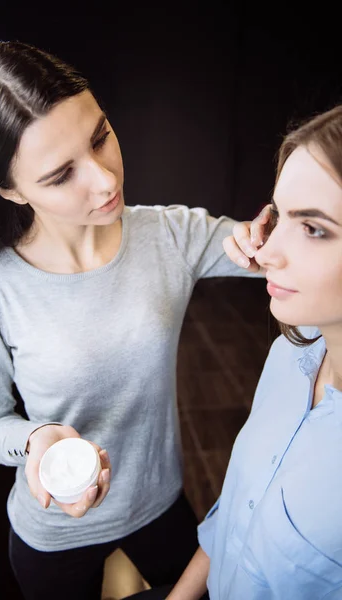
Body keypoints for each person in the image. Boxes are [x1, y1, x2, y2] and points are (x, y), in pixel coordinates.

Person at [0, 40, 263, 600]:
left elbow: (273, 252)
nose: (104, 179)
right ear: (6, 188)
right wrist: (38, 439)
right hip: (54, 533)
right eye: (61, 174)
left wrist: (290, 226)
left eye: (100, 137)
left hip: (160, 501)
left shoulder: (170, 235)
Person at [127, 104, 342, 600]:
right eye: (279, 216)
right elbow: (239, 506)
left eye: (312, 228)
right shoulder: (291, 354)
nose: (265, 253)